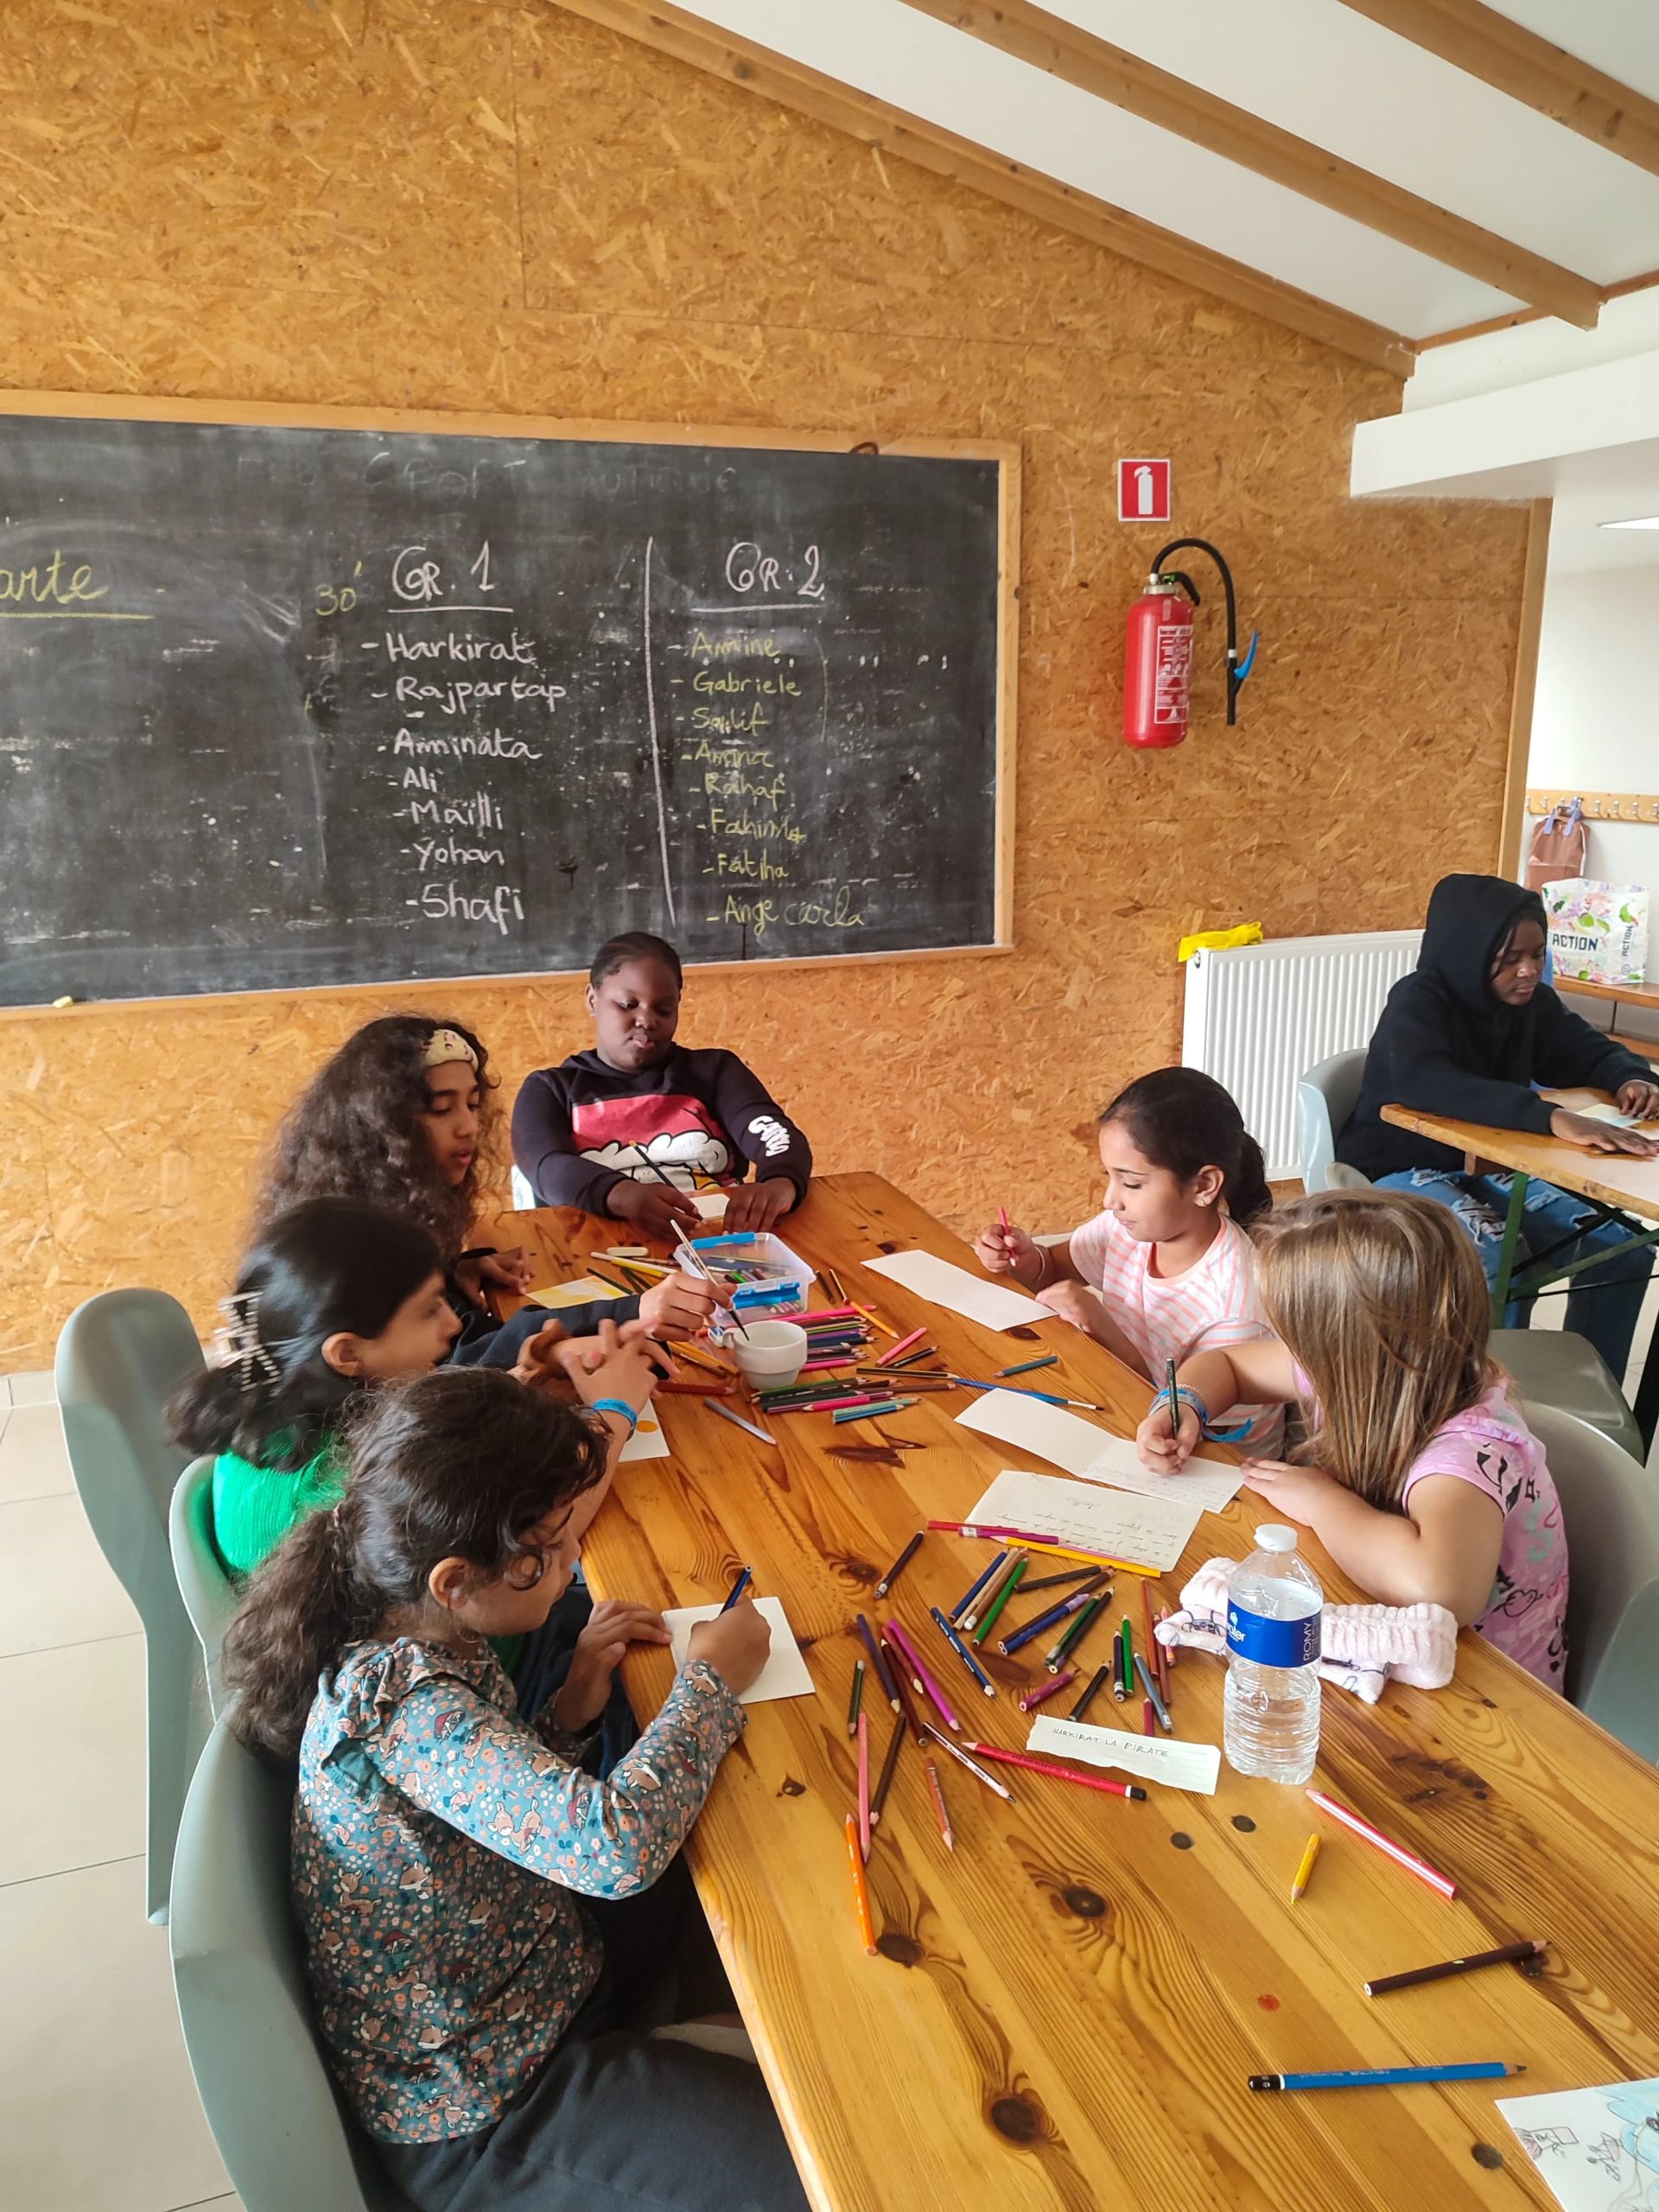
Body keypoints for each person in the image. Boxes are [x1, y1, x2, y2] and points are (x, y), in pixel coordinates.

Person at [222, 1367, 807, 2212]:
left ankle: (688, 2055)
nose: (575, 1565)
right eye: (554, 1550)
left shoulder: (408, 1633)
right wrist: (709, 1680)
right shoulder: (409, 1709)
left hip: (531, 1974)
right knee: (814, 2183)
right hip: (484, 2105)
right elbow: (615, 1849)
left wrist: (568, 1712)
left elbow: (463, 1812)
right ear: (455, 1580)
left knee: (736, 1846)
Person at [170, 1198, 661, 1723]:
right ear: (347, 1354)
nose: (453, 1324)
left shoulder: (281, 1417)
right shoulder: (333, 1486)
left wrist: (523, 1381)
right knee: (654, 1636)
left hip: (455, 1649)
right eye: (429, 1309)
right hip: (478, 1693)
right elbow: (534, 1538)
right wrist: (614, 1411)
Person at [1138, 1188, 1568, 1688]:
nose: (1285, 1352)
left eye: (1293, 1337)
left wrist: (1323, 1502)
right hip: (1395, 1645)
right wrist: (1181, 1402)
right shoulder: (1372, 1368)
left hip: (1497, 1700)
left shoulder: (1468, 1452)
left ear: (1345, 1348)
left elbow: (1440, 1588)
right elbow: (1227, 1363)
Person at [258, 1012, 721, 1364]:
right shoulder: (357, 1245)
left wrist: (455, 1270)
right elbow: (455, 1363)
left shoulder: (388, 1208)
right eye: (442, 1109)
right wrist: (631, 1310)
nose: (468, 1127)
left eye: (474, 1105)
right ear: (381, 1128)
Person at [1338, 873, 1659, 1379]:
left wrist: (1631, 1077)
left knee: (1620, 1250)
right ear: (1469, 950)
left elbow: (1586, 1050)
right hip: (1399, 1168)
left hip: (1489, 1163)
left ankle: (1595, 1394)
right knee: (1491, 1258)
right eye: (1509, 960)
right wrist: (1549, 1117)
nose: (1529, 971)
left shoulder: (1531, 1004)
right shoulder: (1418, 999)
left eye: (1537, 954)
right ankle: (1482, 1407)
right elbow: (1428, 1083)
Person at [973, 1066, 1282, 1452]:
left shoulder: (1235, 1308)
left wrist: (1104, 1331)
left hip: (1217, 1465)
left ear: (1203, 1186)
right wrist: (1021, 1258)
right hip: (1123, 1408)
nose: (1110, 1199)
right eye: (1110, 1176)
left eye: (1131, 1183)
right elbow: (1050, 1268)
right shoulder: (1126, 1229)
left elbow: (1182, 1434)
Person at [512, 933, 812, 1238]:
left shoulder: (716, 1072)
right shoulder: (550, 1090)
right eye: (628, 1004)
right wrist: (625, 1195)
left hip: (718, 1240)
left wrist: (780, 1182)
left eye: (664, 1009)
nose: (646, 1020)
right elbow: (547, 1167)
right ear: (592, 1000)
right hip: (602, 1247)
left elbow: (776, 1133)